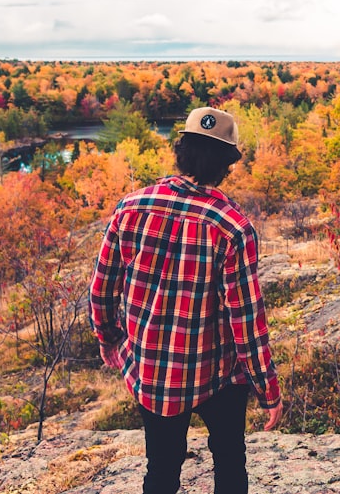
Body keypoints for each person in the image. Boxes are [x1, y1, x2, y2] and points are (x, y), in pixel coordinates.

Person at [89, 106, 282, 494]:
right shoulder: (232, 227)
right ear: (226, 164)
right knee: (230, 463)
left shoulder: (131, 207)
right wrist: (268, 389)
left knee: (160, 471)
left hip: (153, 371)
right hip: (218, 374)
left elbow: (102, 287)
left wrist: (108, 338)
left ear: (181, 151)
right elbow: (246, 321)